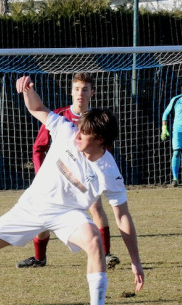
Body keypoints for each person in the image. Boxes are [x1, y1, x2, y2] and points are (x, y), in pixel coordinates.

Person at [0, 75, 144, 305]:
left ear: (100, 140)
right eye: (78, 129)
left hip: (69, 214)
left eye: (85, 133)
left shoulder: (109, 170)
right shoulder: (66, 131)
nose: (77, 135)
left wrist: (135, 260)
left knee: (94, 241)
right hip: (31, 207)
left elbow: (122, 216)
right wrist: (27, 90)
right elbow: (37, 108)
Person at [17, 73, 120, 270]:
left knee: (96, 207)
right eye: (77, 89)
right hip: (59, 177)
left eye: (85, 89)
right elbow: (38, 148)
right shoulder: (60, 116)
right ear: (71, 91)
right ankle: (40, 258)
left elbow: (103, 151)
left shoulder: (97, 120)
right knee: (44, 216)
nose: (80, 93)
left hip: (85, 180)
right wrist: (40, 174)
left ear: (92, 92)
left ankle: (105, 254)